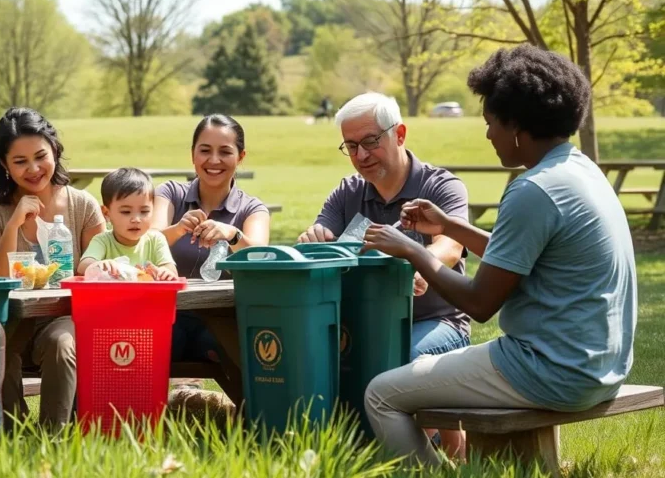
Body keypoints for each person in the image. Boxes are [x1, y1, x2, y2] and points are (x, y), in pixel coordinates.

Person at [360, 45, 637, 466]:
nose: (488, 135)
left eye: (491, 123)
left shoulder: (532, 190)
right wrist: (450, 226)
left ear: (516, 127)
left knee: (381, 394)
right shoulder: (578, 170)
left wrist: (411, 250)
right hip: (602, 366)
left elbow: (479, 303)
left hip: (550, 371)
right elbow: (519, 257)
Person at [296, 91, 471, 456]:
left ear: (400, 134)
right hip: (363, 323)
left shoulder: (440, 187)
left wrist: (420, 265)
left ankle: (444, 454)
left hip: (438, 322)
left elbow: (450, 247)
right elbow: (321, 238)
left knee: (392, 361)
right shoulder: (348, 194)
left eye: (371, 142)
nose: (361, 156)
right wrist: (315, 238)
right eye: (351, 145)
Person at [0, 107, 105, 428]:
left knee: (62, 344)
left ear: (55, 151)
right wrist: (14, 225)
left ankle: (54, 435)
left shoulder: (81, 204)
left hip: (65, 317)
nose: (33, 169)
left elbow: (101, 271)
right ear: (4, 165)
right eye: (20, 162)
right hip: (11, 318)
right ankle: (11, 432)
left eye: (40, 156)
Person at [152, 114, 269, 393]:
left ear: (240, 157)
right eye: (205, 150)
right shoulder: (171, 193)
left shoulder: (252, 209)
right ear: (192, 155)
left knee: (236, 346)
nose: (213, 160)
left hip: (222, 322)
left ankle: (255, 422)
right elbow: (147, 240)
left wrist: (233, 235)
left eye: (225, 152)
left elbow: (262, 258)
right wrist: (179, 228)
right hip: (167, 318)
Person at [77, 167, 178, 280]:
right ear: (106, 213)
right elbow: (83, 266)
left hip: (148, 296)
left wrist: (165, 271)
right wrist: (97, 265)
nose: (136, 219)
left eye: (144, 211)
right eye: (126, 212)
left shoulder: (156, 239)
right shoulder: (102, 241)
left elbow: (171, 269)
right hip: (112, 296)